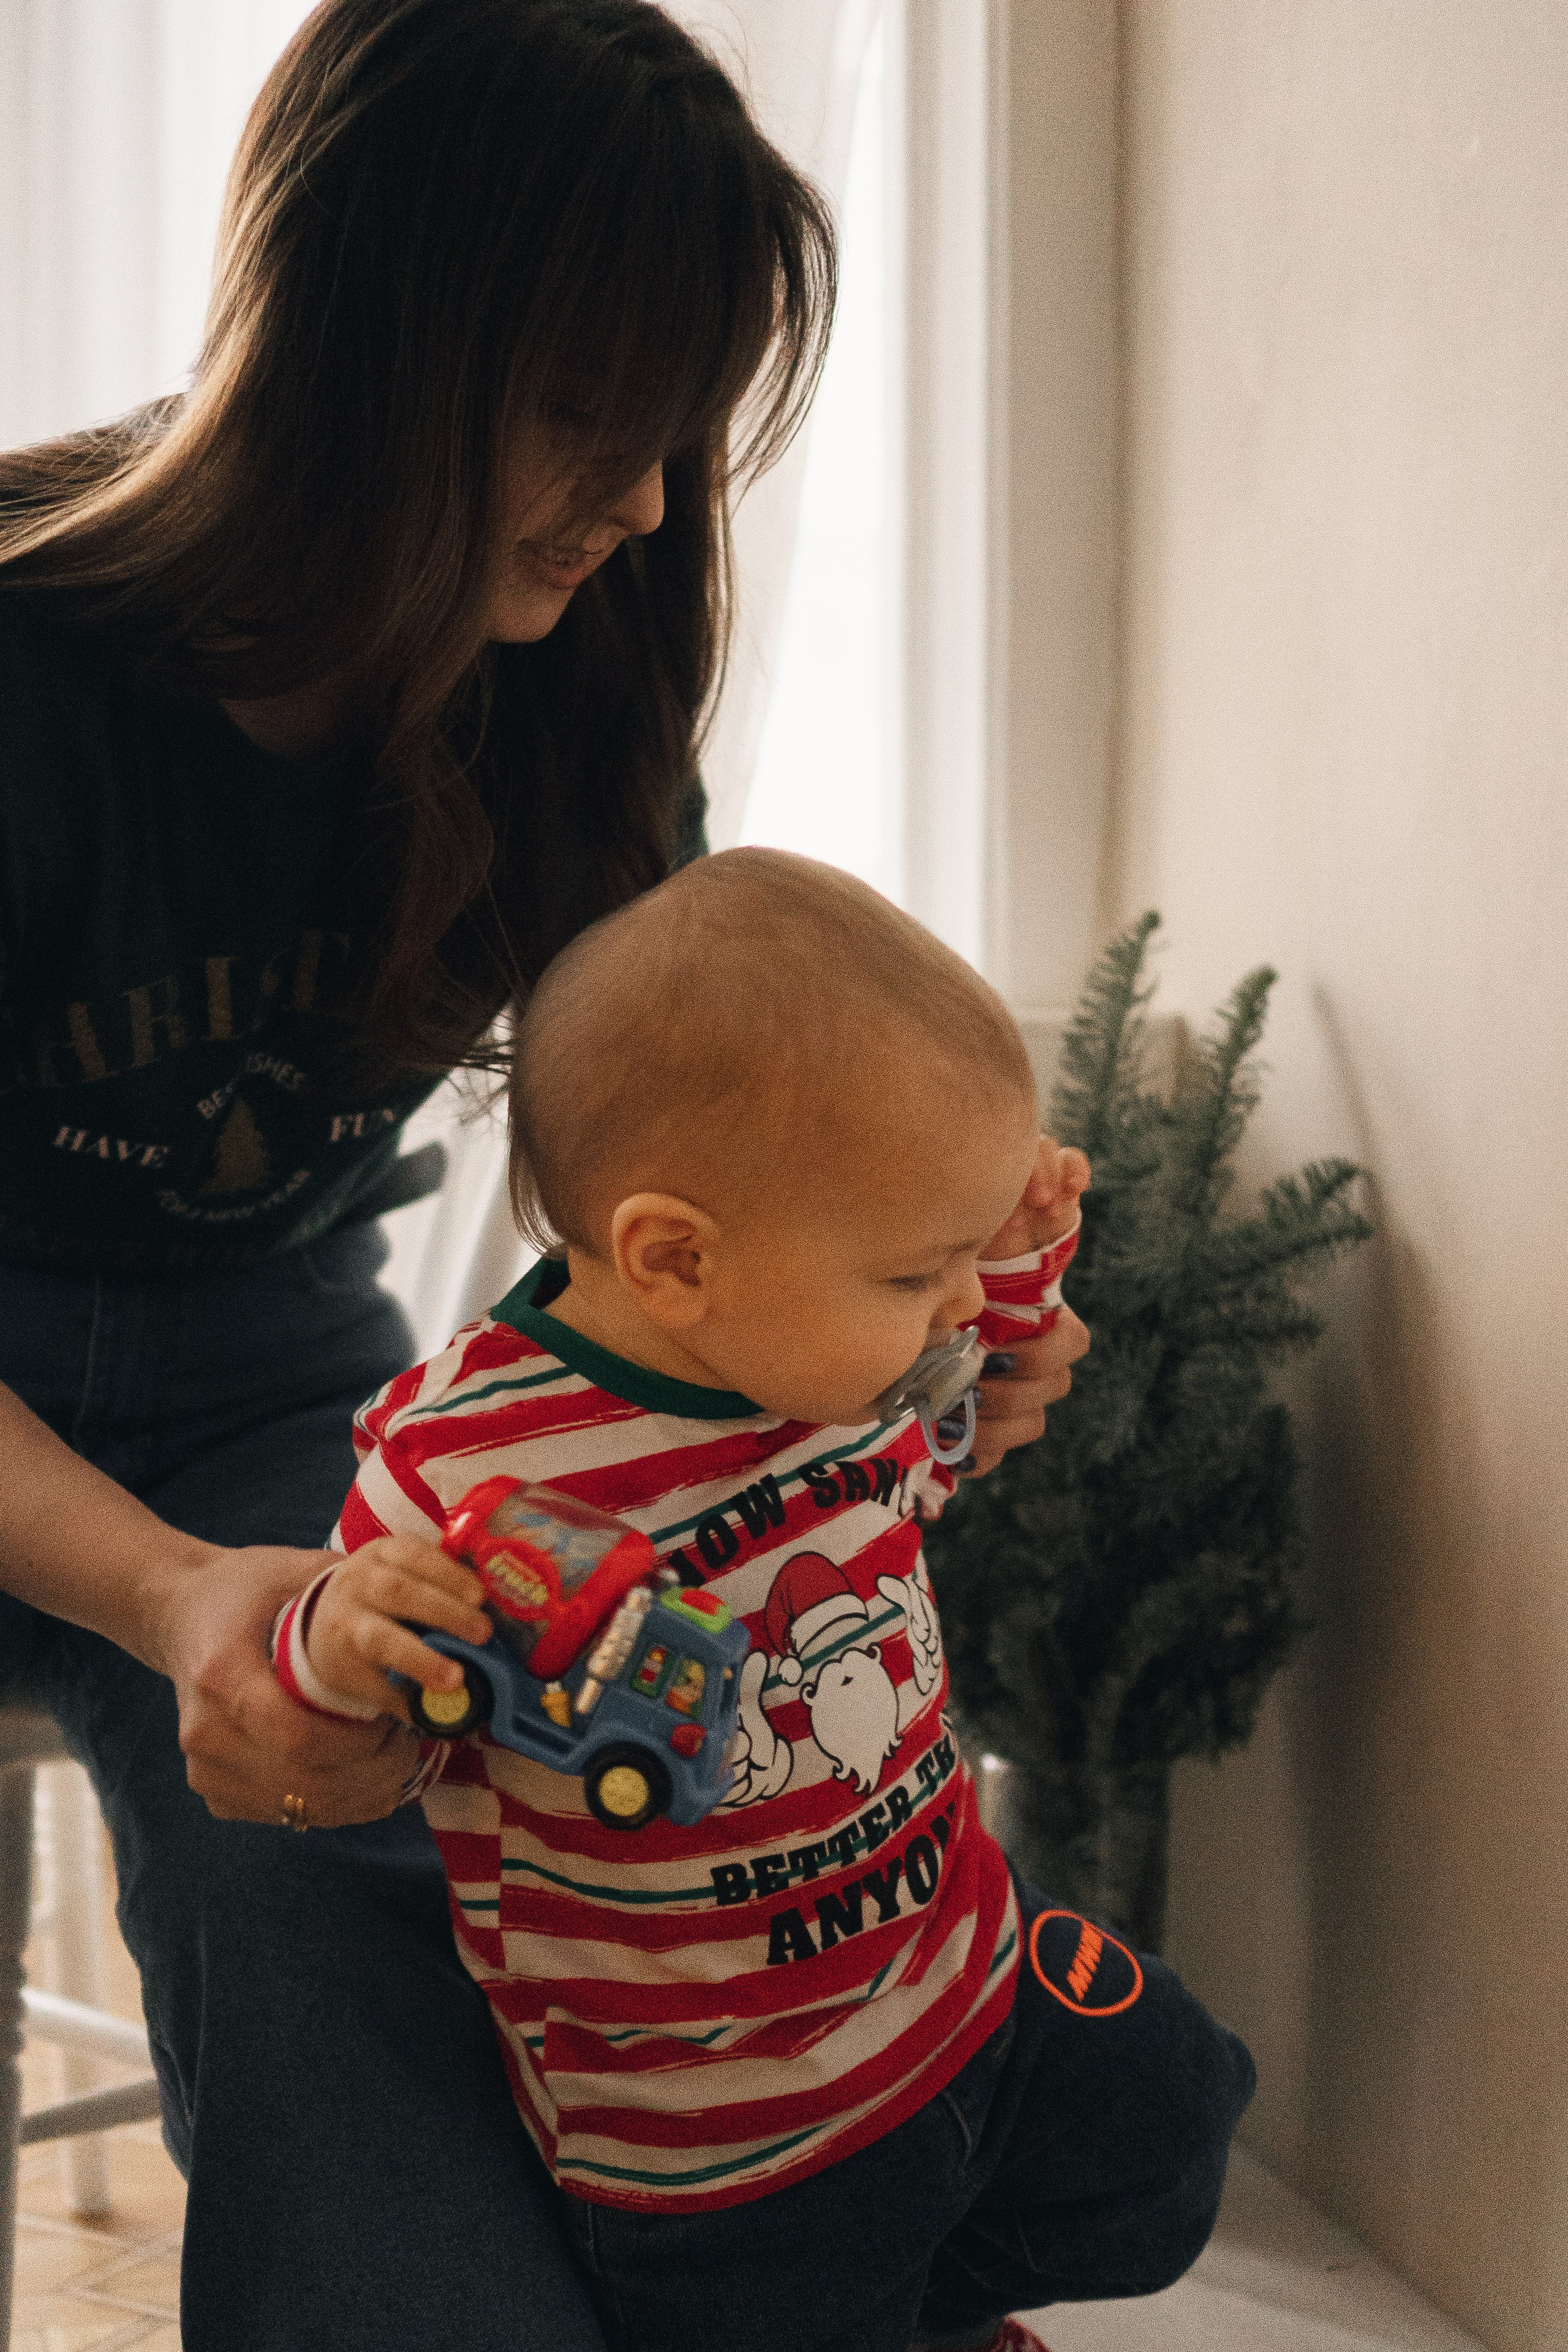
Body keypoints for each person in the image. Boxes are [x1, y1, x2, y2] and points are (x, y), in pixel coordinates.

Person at [0, 7, 1086, 2349]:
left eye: (687, 429)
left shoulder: (573, 692)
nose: (658, 503)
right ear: (371, 342)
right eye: (597, 418)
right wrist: (181, 1597)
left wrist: (913, 1319)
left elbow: (677, 1217)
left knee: (351, 1890)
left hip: (275, 1388)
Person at [286, 850, 1255, 2352]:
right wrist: (341, 1639)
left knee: (1175, 2121)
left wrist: (1007, 1254)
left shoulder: (823, 1356)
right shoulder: (459, 1461)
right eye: (908, 1270)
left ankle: (938, 2309)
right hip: (727, 2145)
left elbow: (949, 1410)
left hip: (963, 1979)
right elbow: (361, 1677)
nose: (938, 1308)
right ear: (676, 1259)